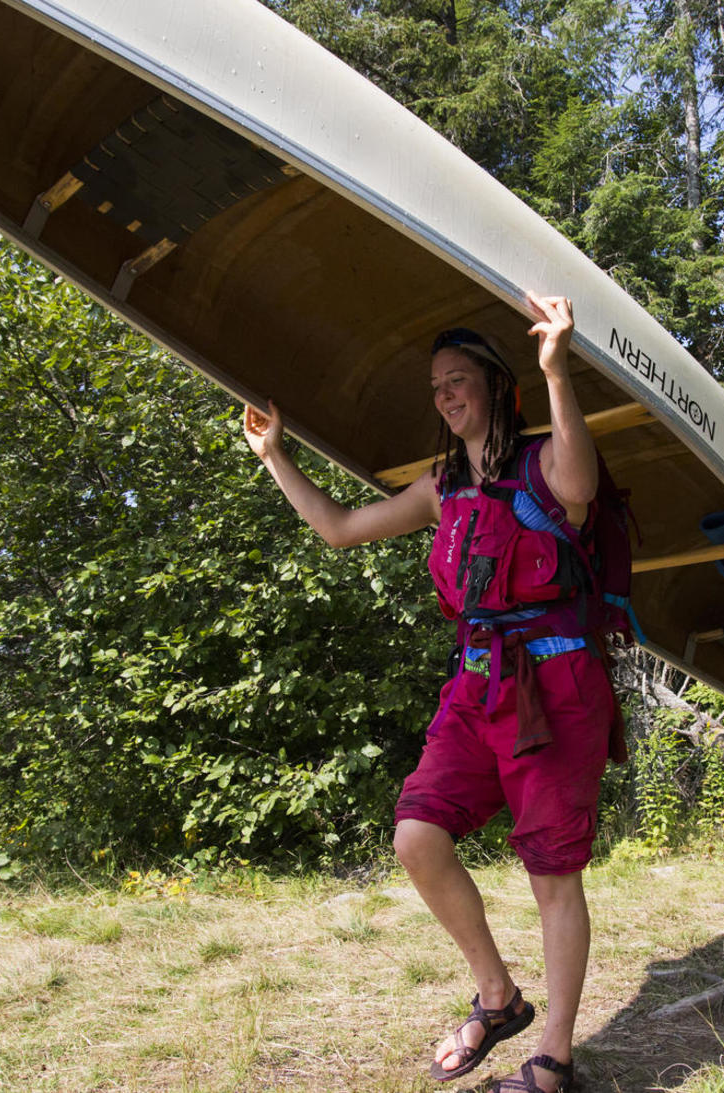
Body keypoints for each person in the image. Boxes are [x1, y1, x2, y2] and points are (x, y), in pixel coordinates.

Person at [241, 294, 622, 1093]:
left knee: (552, 872)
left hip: (557, 688)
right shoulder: (440, 487)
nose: (447, 395)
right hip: (478, 684)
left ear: (494, 384)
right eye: (437, 386)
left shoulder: (545, 459)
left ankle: (552, 1057)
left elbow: (581, 485)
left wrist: (557, 367)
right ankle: (499, 995)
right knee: (417, 835)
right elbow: (341, 528)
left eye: (459, 381)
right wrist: (275, 455)